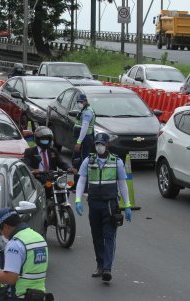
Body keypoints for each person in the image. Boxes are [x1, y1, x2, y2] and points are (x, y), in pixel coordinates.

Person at [74, 132, 132, 282]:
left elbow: (122, 184)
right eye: (97, 144)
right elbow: (81, 181)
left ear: (107, 145)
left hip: (110, 205)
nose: (99, 146)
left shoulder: (116, 161)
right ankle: (100, 265)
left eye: (102, 144)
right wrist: (78, 200)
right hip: (94, 204)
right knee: (97, 237)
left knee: (109, 236)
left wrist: (127, 205)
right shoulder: (89, 160)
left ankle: (107, 268)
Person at [0, 208, 49, 301]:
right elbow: (26, 269)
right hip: (38, 296)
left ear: (6, 226)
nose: (1, 233)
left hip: (20, 297)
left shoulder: (15, 244)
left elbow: (10, 279)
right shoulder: (38, 237)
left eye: (0, 230)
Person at [72, 93, 96, 186]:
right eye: (78, 102)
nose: (79, 103)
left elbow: (84, 128)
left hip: (84, 139)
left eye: (81, 102)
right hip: (83, 139)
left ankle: (82, 184)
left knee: (80, 161)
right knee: (78, 160)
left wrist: (79, 142)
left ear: (85, 101)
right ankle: (79, 183)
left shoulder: (87, 112)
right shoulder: (84, 110)